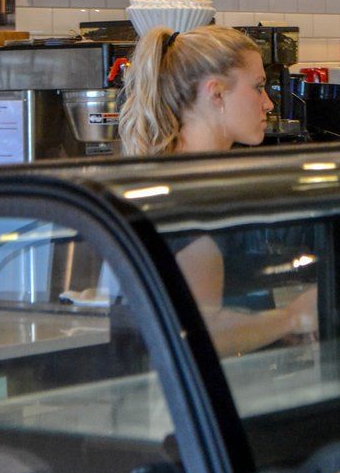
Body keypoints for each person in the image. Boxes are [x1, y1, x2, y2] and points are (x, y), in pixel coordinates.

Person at [118, 24, 318, 357]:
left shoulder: (195, 180)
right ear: (216, 94)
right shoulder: (185, 195)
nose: (268, 103)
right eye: (258, 87)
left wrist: (264, 327)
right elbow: (203, 334)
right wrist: (291, 317)